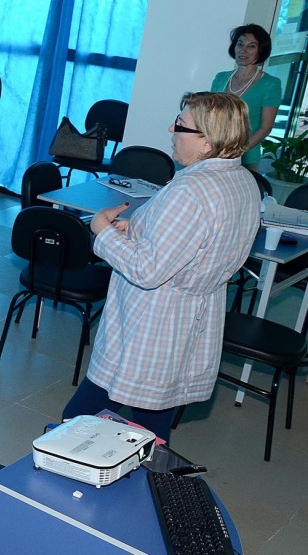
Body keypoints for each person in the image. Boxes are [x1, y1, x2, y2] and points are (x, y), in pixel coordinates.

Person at [61, 92, 261, 442]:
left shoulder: (191, 189)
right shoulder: (242, 182)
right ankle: (149, 476)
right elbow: (195, 242)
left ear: (207, 142)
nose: (171, 128)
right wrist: (137, 228)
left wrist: (102, 231)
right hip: (189, 320)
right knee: (152, 423)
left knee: (76, 423)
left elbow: (147, 270)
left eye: (181, 125)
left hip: (151, 324)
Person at [210, 24, 281, 171]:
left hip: (245, 157)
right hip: (213, 153)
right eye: (240, 44)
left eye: (251, 46)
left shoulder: (270, 84)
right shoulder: (221, 78)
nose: (243, 50)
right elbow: (209, 116)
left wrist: (235, 152)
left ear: (260, 51)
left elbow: (265, 128)